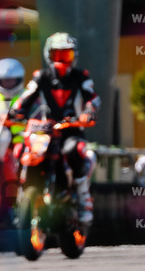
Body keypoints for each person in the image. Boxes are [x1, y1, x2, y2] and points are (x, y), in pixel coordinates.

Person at [10, 33, 100, 224]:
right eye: (56, 56)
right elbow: (26, 96)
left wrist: (89, 110)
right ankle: (21, 200)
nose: (61, 61)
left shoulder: (80, 76)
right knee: (23, 151)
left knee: (73, 150)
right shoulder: (41, 76)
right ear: (48, 56)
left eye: (65, 56)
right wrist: (16, 111)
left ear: (73, 56)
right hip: (46, 129)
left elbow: (92, 97)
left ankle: (85, 201)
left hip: (71, 129)